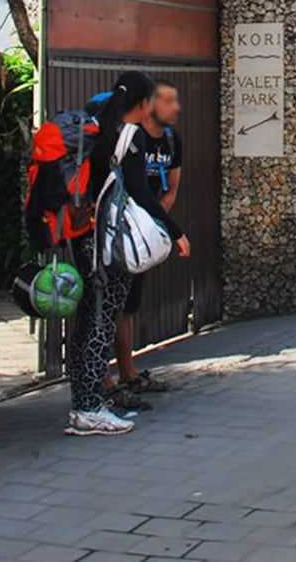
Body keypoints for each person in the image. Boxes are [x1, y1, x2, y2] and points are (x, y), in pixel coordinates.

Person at [66, 71, 190, 437]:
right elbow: (141, 192)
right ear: (141, 102)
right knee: (101, 323)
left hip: (85, 238)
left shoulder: (97, 130)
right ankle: (89, 408)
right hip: (110, 243)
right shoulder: (128, 135)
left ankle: (83, 403)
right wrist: (176, 231)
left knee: (88, 320)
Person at [105, 79, 184, 410]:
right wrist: (171, 230)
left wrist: (153, 227)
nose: (175, 107)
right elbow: (133, 189)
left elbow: (172, 186)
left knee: (129, 303)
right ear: (148, 105)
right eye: (167, 101)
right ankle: (102, 379)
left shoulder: (170, 140)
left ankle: (127, 371)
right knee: (107, 303)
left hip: (144, 234)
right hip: (115, 231)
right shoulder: (127, 136)